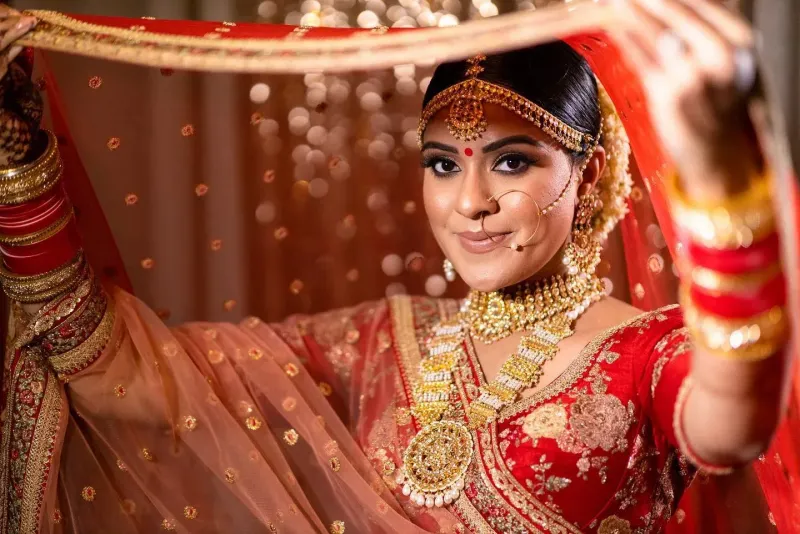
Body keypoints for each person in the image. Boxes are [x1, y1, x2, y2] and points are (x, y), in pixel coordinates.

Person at [0, 2, 795, 533]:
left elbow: (736, 422)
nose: (470, 202)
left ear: (585, 179)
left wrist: (729, 194)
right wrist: (19, 169)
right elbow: (127, 378)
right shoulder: (382, 341)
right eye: (444, 165)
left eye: (512, 163)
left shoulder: (647, 352)